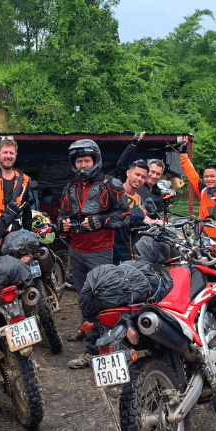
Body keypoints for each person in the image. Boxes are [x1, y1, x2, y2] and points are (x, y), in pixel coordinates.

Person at [58, 139, 130, 369]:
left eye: (86, 161)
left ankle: (100, 350)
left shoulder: (111, 184)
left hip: (100, 251)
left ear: (95, 161)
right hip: (76, 251)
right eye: (78, 162)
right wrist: (63, 224)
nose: (82, 166)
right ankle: (91, 341)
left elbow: (125, 215)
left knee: (104, 301)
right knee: (85, 300)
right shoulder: (70, 188)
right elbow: (60, 215)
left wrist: (100, 221)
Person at [116, 132, 168, 218]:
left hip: (149, 228)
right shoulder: (136, 183)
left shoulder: (158, 192)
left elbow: (156, 215)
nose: (154, 176)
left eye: (158, 174)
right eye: (152, 172)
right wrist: (133, 145)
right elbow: (121, 165)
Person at [112, 160, 150, 264]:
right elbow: (115, 217)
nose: (139, 179)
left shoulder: (139, 199)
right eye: (137, 174)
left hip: (129, 251)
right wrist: (137, 213)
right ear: (128, 173)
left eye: (143, 177)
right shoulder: (115, 193)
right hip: (112, 248)